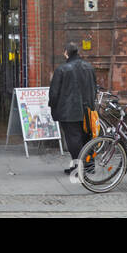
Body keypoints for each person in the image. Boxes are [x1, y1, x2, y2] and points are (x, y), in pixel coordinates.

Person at [48, 42, 97, 175]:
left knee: (73, 139)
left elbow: (54, 93)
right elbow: (94, 88)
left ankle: (78, 166)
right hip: (88, 109)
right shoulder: (89, 67)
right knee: (87, 136)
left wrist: (52, 106)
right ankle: (90, 165)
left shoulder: (62, 69)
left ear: (66, 53)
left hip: (68, 111)